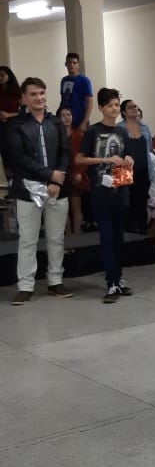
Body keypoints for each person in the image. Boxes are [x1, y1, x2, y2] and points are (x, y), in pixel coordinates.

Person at [7, 77, 73, 305]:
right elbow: (19, 159)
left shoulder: (56, 123)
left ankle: (55, 281)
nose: (39, 98)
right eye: (33, 94)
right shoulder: (15, 125)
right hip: (28, 191)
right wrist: (49, 175)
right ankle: (26, 286)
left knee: (56, 238)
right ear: (24, 98)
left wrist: (57, 179)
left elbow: (65, 153)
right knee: (28, 240)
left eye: (42, 93)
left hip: (57, 189)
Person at [76, 88, 135, 303]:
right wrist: (105, 160)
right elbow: (80, 159)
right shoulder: (93, 132)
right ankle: (111, 282)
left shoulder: (122, 132)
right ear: (101, 108)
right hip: (100, 192)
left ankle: (118, 279)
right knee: (107, 236)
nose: (114, 109)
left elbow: (128, 155)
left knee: (119, 238)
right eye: (110, 105)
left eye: (117, 105)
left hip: (120, 189)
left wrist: (129, 160)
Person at [118, 99, 151, 234]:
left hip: (143, 171)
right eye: (130, 107)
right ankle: (126, 236)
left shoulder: (144, 127)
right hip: (124, 171)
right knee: (126, 206)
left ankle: (142, 235)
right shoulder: (119, 128)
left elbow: (149, 149)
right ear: (124, 112)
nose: (134, 109)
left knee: (141, 205)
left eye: (136, 106)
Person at [58, 106, 88, 233]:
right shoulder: (55, 136)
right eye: (63, 115)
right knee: (62, 210)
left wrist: (80, 173)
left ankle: (77, 238)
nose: (66, 117)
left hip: (77, 174)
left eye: (69, 115)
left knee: (76, 208)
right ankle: (69, 238)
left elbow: (85, 156)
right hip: (61, 176)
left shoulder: (79, 135)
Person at [59, 53, 94, 132]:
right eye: (69, 62)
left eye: (74, 63)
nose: (71, 65)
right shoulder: (64, 80)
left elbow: (90, 102)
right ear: (65, 64)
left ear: (78, 65)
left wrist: (85, 122)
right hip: (66, 121)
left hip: (80, 120)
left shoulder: (84, 80)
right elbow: (63, 100)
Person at [0, 65, 21, 173]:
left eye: (2, 75)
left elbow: (25, 112)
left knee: (14, 152)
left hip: (14, 125)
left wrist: (8, 115)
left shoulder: (17, 92)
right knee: (4, 153)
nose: (0, 78)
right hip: (1, 126)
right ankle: (9, 177)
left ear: (9, 76)